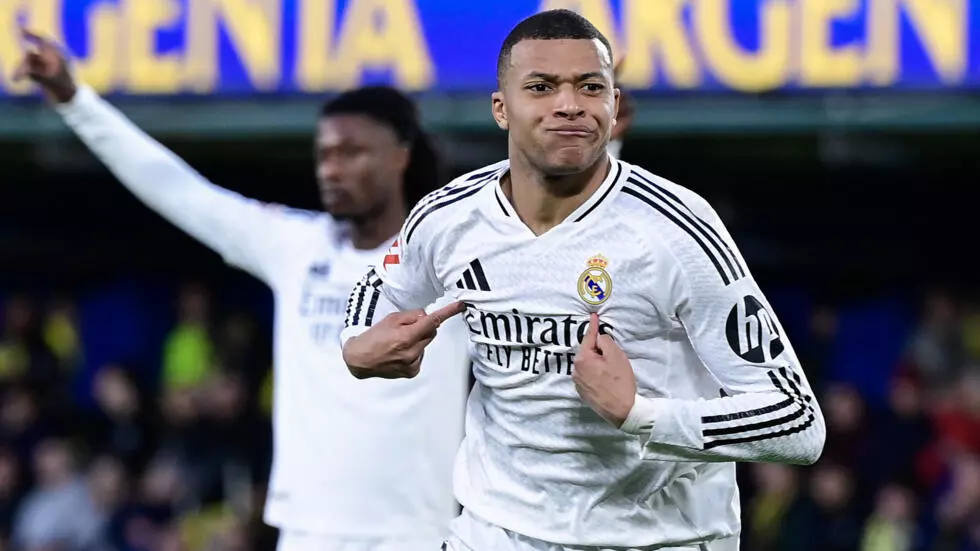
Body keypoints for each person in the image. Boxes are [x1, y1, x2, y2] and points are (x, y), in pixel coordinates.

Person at [340, 9, 826, 551]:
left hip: (660, 539)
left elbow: (797, 423)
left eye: (590, 87)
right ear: (501, 108)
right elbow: (378, 285)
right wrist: (354, 345)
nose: (569, 103)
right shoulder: (448, 216)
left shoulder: (676, 229)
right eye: (542, 87)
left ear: (613, 106)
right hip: (496, 531)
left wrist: (641, 416)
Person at [13, 29, 471, 551]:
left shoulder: (450, 259)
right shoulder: (295, 246)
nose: (332, 169)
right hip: (306, 533)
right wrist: (75, 100)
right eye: (324, 154)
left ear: (401, 156)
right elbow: (177, 190)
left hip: (416, 533)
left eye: (352, 152)